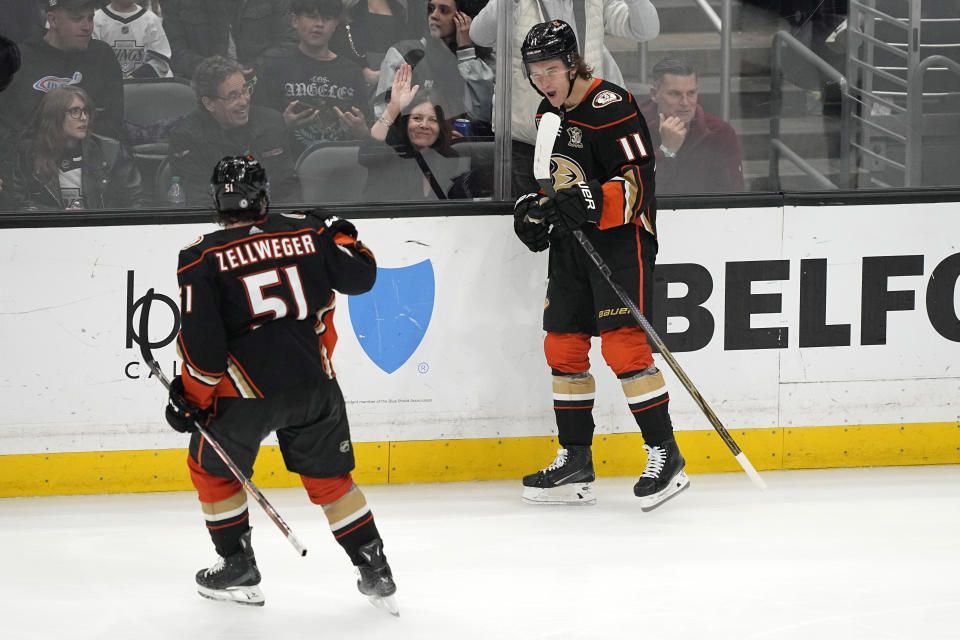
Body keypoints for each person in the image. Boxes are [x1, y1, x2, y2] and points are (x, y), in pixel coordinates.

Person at [164, 154, 398, 613]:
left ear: (217, 200)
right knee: (331, 480)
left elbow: (206, 354)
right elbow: (362, 276)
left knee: (212, 468)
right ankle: (374, 567)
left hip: (244, 395)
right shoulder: (308, 231)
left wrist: (190, 400)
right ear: (263, 194)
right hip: (315, 385)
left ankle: (237, 566)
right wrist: (341, 232)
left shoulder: (200, 256)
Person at [512, 20, 688, 510]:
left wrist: (585, 202)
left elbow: (638, 186)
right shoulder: (550, 111)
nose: (544, 80)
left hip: (621, 240)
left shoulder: (614, 108)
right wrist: (538, 210)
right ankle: (576, 460)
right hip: (574, 246)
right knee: (562, 345)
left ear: (572, 64)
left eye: (551, 69)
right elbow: (557, 184)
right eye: (535, 71)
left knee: (624, 348)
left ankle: (665, 454)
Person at [470, 0, 659, 196]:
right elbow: (480, 35)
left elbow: (645, 30)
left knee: (584, 219)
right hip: (528, 142)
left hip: (584, 139)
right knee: (531, 220)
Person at [167, 55, 300, 205]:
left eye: (245, 90)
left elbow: (288, 190)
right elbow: (199, 202)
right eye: (233, 96)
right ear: (209, 103)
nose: (244, 101)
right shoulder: (187, 137)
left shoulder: (272, 123)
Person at [0, 0, 125, 155]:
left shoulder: (101, 56)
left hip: (89, 159)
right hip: (30, 159)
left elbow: (113, 120)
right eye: (77, 19)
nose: (86, 27)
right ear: (53, 20)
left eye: (90, 18)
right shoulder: (17, 59)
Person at [252, 0, 371, 155]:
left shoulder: (351, 72)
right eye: (311, 16)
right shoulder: (273, 66)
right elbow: (255, 131)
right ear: (294, 20)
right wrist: (282, 126)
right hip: (287, 168)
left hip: (341, 167)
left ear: (336, 25)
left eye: (327, 18)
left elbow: (368, 129)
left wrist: (362, 132)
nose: (319, 24)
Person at [3, 85, 146, 210]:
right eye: (75, 111)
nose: (84, 118)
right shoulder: (28, 154)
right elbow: (20, 204)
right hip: (48, 231)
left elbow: (135, 200)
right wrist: (60, 217)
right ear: (54, 117)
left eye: (86, 111)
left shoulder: (110, 151)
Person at [372, 0, 494, 135]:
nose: (433, 15)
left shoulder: (480, 58)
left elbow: (481, 118)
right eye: (431, 9)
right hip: (412, 146)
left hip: (463, 148)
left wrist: (466, 53)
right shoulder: (406, 53)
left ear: (464, 18)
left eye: (444, 10)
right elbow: (382, 116)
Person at [639, 57, 744, 194]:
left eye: (691, 93)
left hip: (701, 213)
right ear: (654, 94)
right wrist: (667, 151)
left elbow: (733, 194)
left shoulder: (720, 133)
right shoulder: (633, 127)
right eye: (675, 94)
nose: (685, 102)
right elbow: (633, 191)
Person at [361, 63, 464, 200]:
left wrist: (463, 147)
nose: (424, 125)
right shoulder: (389, 155)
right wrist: (394, 107)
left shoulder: (448, 161)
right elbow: (367, 152)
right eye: (417, 118)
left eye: (433, 120)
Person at [161, 0, 298, 79]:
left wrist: (254, 68)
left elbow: (289, 41)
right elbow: (172, 49)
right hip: (204, 89)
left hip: (263, 84)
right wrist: (214, 72)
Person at [329, 0, 423, 88]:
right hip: (353, 81)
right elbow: (337, 43)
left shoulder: (402, 8)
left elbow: (411, 45)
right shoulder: (347, 7)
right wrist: (363, 71)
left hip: (394, 83)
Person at [93, 0, 172, 78]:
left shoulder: (151, 20)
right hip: (107, 86)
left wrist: (135, 77)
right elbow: (92, 60)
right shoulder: (95, 19)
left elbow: (161, 61)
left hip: (142, 86)